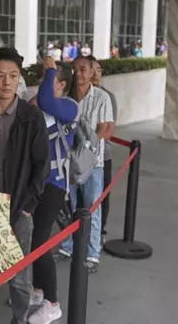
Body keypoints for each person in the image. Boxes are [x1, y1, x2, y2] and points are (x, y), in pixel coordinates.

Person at [0, 47, 50, 324]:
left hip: (16, 205)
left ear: (20, 80)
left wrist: (28, 206)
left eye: (13, 76)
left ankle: (19, 319)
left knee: (19, 272)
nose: (7, 82)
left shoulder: (31, 117)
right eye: (0, 76)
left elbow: (41, 164)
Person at [28, 57, 78, 324]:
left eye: (49, 78)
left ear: (62, 84)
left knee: (40, 242)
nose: (43, 83)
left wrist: (49, 68)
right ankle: (37, 290)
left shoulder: (69, 106)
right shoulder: (41, 105)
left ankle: (53, 303)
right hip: (35, 183)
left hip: (54, 185)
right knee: (30, 239)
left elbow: (46, 101)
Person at [66, 56, 114, 273]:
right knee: (71, 206)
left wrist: (89, 148)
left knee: (92, 207)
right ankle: (68, 246)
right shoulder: (67, 98)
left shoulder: (102, 97)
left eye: (83, 69)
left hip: (92, 163)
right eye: (75, 69)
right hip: (70, 162)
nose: (79, 74)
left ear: (92, 70)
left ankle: (93, 253)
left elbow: (106, 128)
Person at [90, 59, 117, 245]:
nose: (95, 75)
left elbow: (109, 131)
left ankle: (99, 233)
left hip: (102, 156)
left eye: (99, 70)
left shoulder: (107, 97)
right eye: (91, 70)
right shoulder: (74, 96)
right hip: (78, 158)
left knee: (101, 196)